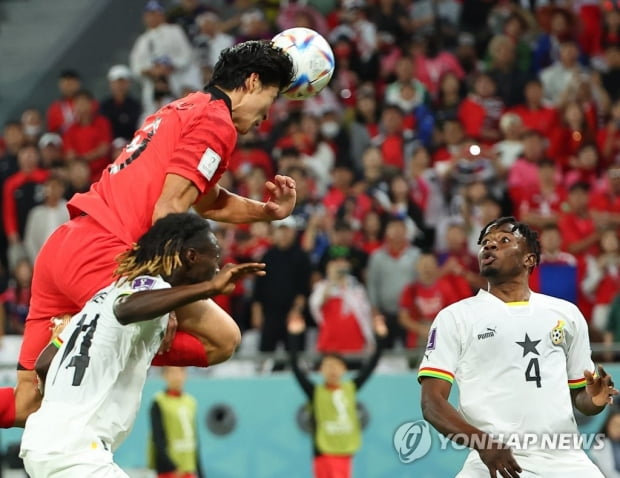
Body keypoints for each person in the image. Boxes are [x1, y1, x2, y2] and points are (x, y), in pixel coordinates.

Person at [0, 39, 295, 429]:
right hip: (107, 255)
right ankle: (79, 333)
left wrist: (265, 212)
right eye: (270, 100)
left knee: (26, 403)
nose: (265, 117)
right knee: (222, 339)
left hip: (66, 246)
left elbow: (203, 200)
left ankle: (77, 332)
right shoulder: (216, 122)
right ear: (253, 82)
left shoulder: (182, 108)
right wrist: (164, 297)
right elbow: (169, 208)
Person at [20, 212, 266, 477]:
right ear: (191, 257)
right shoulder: (147, 287)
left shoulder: (102, 296)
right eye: (215, 257)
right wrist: (209, 289)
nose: (219, 267)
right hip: (77, 452)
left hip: (42, 445)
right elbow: (125, 309)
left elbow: (45, 362)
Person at [419, 216, 617, 478]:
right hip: (495, 461)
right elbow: (431, 402)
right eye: (485, 243)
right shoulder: (456, 317)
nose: (489, 247)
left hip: (566, 461)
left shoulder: (565, 314)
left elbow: (580, 400)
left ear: (529, 259)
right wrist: (484, 444)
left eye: (503, 241)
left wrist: (595, 400)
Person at [287, 313, 387, 478]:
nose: (332, 370)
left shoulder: (350, 388)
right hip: (323, 451)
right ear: (321, 370)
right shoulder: (315, 392)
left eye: (336, 366)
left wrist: (381, 337)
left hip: (345, 450)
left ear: (343, 369)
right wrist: (294, 335)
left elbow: (372, 365)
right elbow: (296, 368)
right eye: (328, 366)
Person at [148, 367, 204, 478]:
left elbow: (195, 439)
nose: (177, 376)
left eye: (180, 371)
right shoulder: (159, 401)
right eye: (172, 372)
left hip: (188, 469)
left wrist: (200, 472)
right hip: (169, 471)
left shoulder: (190, 402)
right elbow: (158, 438)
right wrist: (171, 467)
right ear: (164, 376)